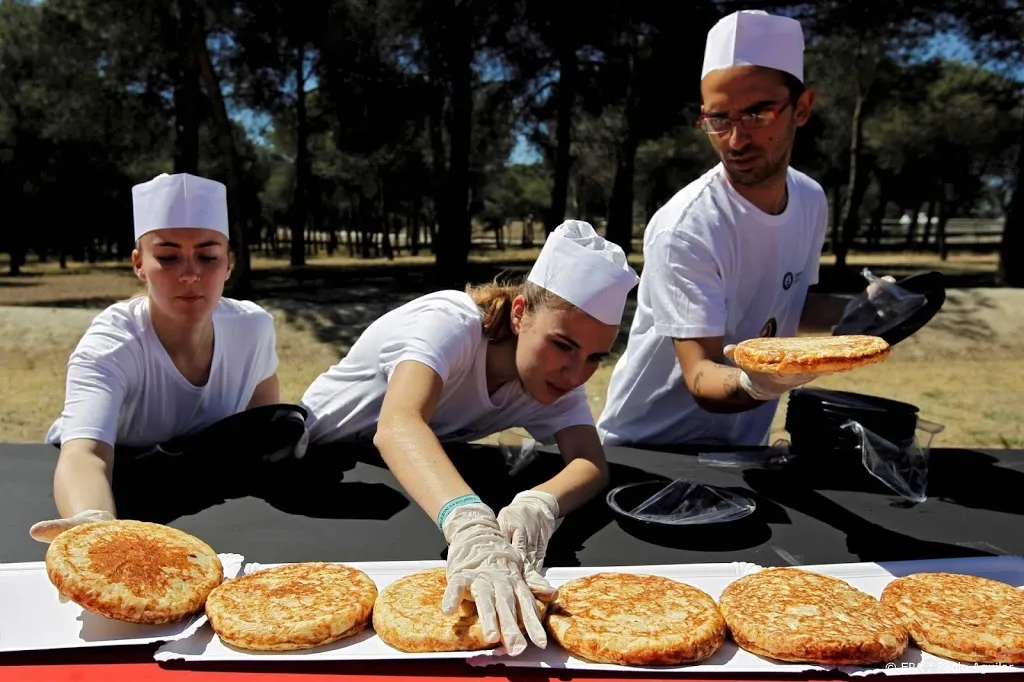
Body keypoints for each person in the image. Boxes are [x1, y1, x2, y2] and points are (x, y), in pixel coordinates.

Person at [300, 220, 639, 656]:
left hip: (401, 480)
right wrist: (471, 525)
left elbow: (590, 464)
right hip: (317, 464)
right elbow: (400, 424)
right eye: (562, 345)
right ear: (519, 314)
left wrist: (538, 504)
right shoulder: (451, 322)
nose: (576, 374)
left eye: (595, 357)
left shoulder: (553, 381)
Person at [596, 10, 885, 448]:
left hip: (743, 449)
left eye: (757, 114)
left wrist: (866, 310)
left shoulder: (809, 200)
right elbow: (700, 373)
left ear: (801, 108)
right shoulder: (686, 228)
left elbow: (789, 303)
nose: (735, 140)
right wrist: (758, 384)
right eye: (718, 119)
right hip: (649, 451)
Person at [31, 172, 299, 543]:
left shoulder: (252, 328)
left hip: (198, 484)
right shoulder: (112, 345)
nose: (190, 274)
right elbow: (86, 455)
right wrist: (94, 529)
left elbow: (259, 421)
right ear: (139, 264)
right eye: (169, 257)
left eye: (207, 256)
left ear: (229, 264)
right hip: (119, 481)